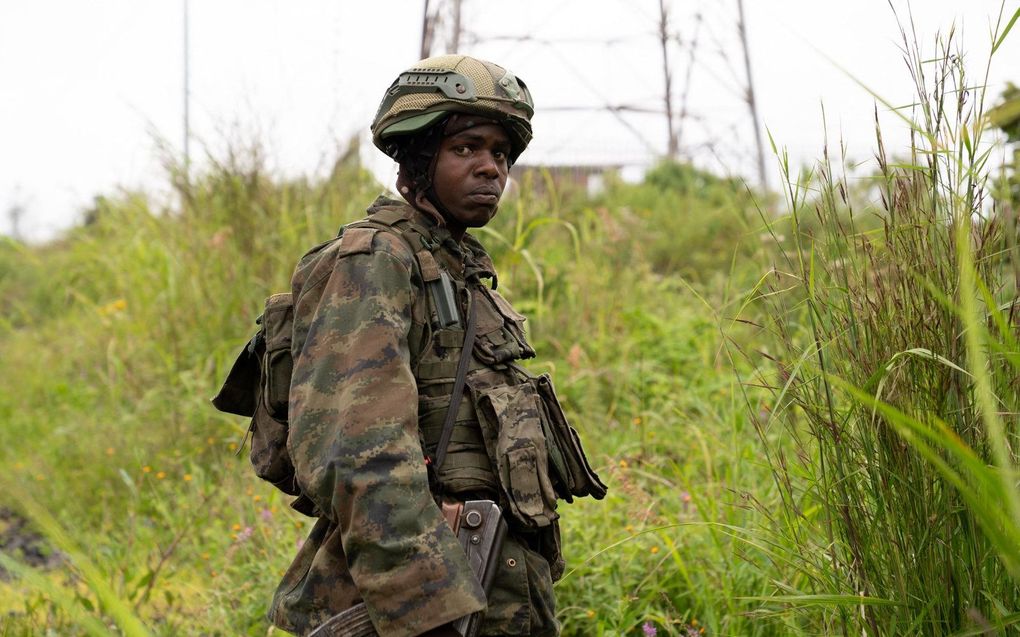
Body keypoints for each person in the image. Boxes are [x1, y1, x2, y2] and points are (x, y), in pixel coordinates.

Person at [266, 54, 603, 637]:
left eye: (500, 153)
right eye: (466, 147)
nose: (490, 168)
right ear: (419, 160)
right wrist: (427, 608)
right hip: (416, 604)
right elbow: (361, 453)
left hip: (493, 586)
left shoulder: (457, 271)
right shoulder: (376, 260)